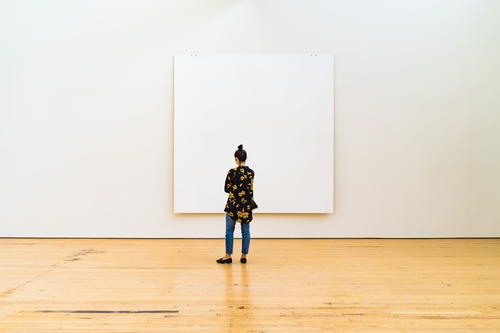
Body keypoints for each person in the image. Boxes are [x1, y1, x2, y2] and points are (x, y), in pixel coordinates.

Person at [216, 144, 258, 264]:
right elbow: (249, 189)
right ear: (245, 158)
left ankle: (228, 256)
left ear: (236, 159)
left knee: (229, 230)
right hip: (246, 206)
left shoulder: (232, 172)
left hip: (233, 205)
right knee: (246, 231)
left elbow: (226, 189)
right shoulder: (251, 173)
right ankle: (244, 255)